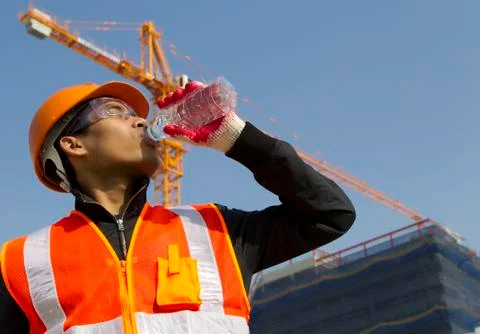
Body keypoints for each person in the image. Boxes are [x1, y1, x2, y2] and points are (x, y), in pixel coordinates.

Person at [0, 79, 356, 333]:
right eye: (115, 112)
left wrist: (239, 140)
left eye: (136, 114)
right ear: (73, 145)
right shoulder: (20, 262)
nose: (140, 120)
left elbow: (329, 214)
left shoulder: (216, 230)